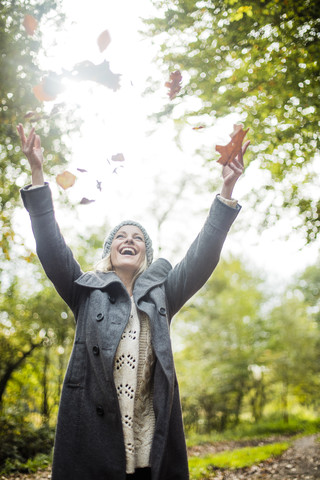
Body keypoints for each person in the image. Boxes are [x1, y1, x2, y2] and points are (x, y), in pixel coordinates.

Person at [17, 123, 249, 480]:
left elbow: (202, 255)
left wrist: (227, 188)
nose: (129, 240)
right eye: (121, 237)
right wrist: (37, 172)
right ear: (110, 252)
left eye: (137, 237)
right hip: (93, 443)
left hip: (148, 443)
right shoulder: (84, 290)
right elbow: (50, 245)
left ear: (144, 254)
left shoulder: (163, 294)